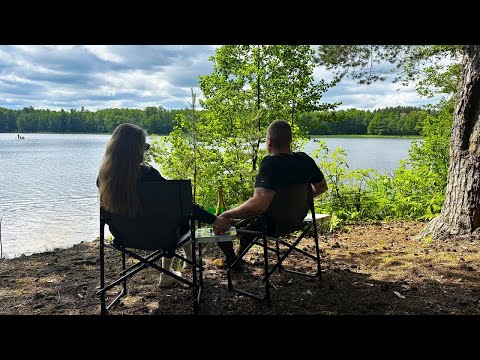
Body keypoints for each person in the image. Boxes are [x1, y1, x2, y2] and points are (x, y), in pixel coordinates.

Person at [97, 123, 231, 287]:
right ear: (136, 150)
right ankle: (167, 274)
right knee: (180, 219)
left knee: (176, 220)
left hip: (124, 237)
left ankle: (189, 260)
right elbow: (185, 206)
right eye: (144, 146)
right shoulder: (149, 175)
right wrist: (214, 220)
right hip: (161, 236)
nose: (145, 151)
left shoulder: (104, 179)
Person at [217, 120, 328, 270]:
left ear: (269, 142)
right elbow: (322, 187)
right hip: (296, 220)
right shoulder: (305, 160)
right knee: (250, 219)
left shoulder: (270, 164)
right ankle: (235, 260)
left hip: (274, 225)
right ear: (290, 140)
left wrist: (227, 214)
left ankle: (232, 260)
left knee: (222, 223)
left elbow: (259, 205)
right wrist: (300, 201)